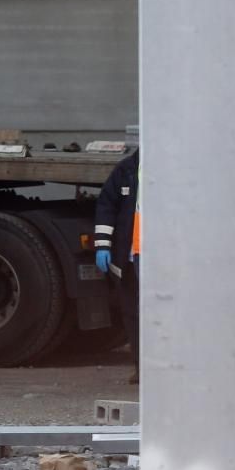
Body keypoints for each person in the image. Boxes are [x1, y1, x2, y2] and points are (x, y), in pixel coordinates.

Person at [94, 148, 140, 384]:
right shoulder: (127, 170)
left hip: (163, 260)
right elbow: (107, 206)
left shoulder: (173, 171)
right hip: (130, 258)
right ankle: (142, 366)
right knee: (133, 314)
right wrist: (103, 245)